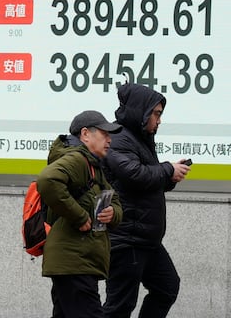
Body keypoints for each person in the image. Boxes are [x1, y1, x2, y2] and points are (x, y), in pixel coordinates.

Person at [102, 83, 189, 318]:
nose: (159, 120)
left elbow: (147, 181)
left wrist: (171, 176)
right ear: (141, 112)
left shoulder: (140, 139)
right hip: (127, 239)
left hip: (145, 239)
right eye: (156, 114)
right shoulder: (119, 139)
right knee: (119, 306)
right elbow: (134, 174)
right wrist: (166, 170)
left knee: (167, 287)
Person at [37, 110, 124, 318]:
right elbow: (47, 181)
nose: (109, 140)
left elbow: (115, 202)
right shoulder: (77, 160)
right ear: (85, 134)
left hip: (76, 262)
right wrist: (80, 217)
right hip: (75, 262)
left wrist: (113, 214)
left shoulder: (94, 167)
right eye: (105, 134)